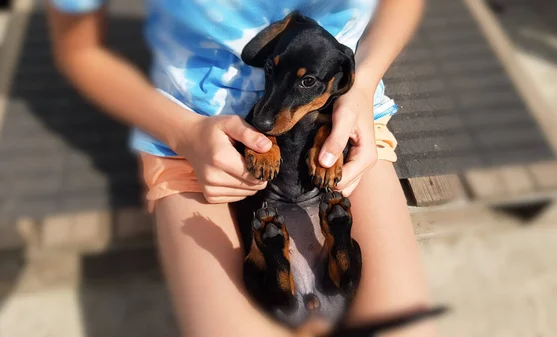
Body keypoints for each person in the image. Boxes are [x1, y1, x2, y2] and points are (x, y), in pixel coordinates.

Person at [45, 0, 436, 336]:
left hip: (344, 118)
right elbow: (79, 52)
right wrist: (183, 133)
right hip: (185, 128)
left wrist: (362, 87)